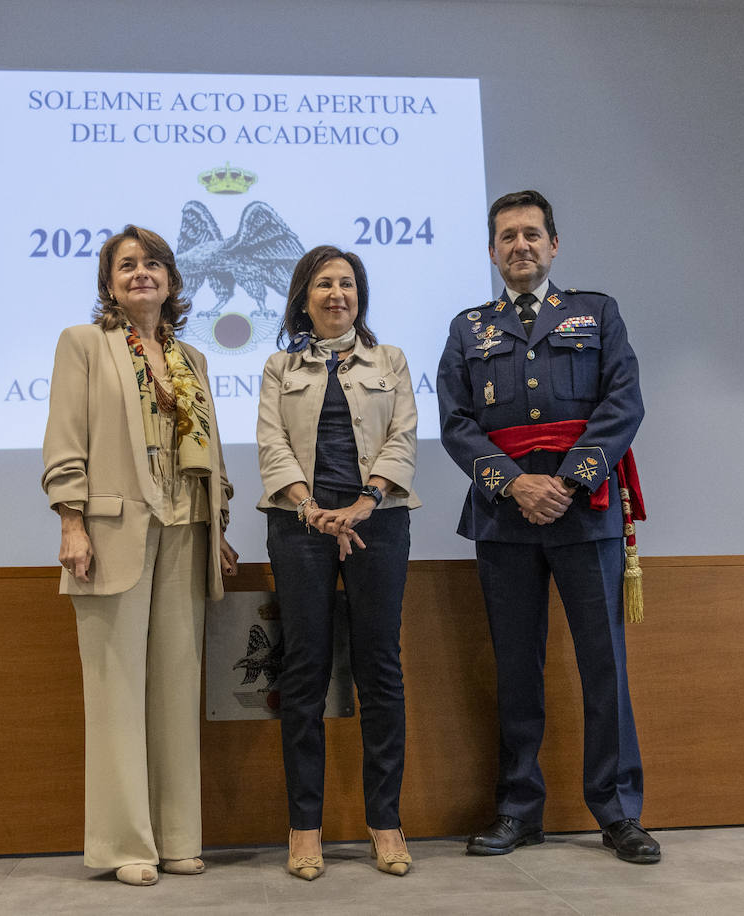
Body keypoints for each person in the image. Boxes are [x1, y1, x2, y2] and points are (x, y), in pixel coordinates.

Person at [436, 190, 659, 864]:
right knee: (516, 669)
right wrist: (516, 483)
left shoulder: (596, 313)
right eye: (507, 237)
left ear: (554, 244)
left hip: (584, 511)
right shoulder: (467, 327)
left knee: (604, 666)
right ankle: (518, 808)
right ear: (492, 251)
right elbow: (455, 422)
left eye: (531, 234)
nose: (520, 246)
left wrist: (566, 482)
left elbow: (623, 402)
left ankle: (618, 812)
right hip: (506, 519)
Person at [41, 224, 240, 886]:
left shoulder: (193, 358)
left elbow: (209, 455)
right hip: (112, 533)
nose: (141, 273)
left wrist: (222, 523)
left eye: (153, 263)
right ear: (110, 283)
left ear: (173, 281)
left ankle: (179, 836)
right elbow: (66, 440)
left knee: (178, 690)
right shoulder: (84, 345)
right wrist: (72, 523)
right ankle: (126, 845)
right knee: (117, 692)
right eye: (126, 265)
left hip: (187, 528)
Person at [256, 245, 421, 879]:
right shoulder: (278, 366)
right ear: (304, 297)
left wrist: (361, 503)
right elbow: (272, 443)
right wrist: (310, 509)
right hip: (299, 528)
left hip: (377, 522)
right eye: (323, 284)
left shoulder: (392, 361)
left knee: (380, 667)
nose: (337, 294)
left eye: (347, 284)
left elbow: (402, 437)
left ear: (360, 295)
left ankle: (386, 821)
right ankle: (304, 828)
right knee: (304, 670)